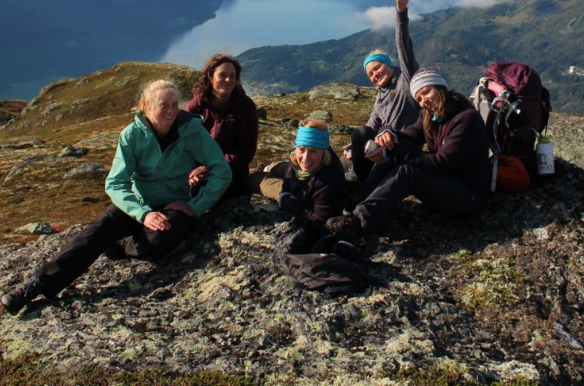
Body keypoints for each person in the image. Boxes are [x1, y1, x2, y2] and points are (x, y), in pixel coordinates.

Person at [1, 79, 232, 315]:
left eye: (175, 104)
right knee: (93, 233)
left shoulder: (192, 131)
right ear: (146, 105)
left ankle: (125, 248)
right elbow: (115, 183)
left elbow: (221, 171)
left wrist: (195, 206)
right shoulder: (132, 135)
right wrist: (142, 213)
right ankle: (34, 287)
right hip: (137, 203)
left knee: (161, 238)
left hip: (172, 203)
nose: (172, 111)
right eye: (164, 104)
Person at [327, 68, 491, 240]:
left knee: (407, 170)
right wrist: (387, 133)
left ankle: (357, 224)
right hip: (446, 182)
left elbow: (440, 163)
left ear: (439, 87)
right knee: (395, 152)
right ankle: (361, 204)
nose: (423, 101)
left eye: (426, 92)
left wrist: (396, 147)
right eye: (418, 98)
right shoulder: (431, 115)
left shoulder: (465, 118)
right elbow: (407, 136)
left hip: (468, 195)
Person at [343, 0, 420, 186]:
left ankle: (357, 179)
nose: (374, 74)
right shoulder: (380, 99)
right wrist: (353, 148)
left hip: (401, 148)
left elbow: (404, 46)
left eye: (377, 67)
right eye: (370, 74)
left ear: (389, 65)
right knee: (333, 162)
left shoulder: (407, 80)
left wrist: (401, 10)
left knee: (361, 134)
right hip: (380, 148)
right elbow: (371, 126)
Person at [185, 54, 259, 198]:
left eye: (232, 75)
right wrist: (192, 173)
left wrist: (212, 167)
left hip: (231, 173)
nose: (228, 80)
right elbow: (186, 147)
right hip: (198, 173)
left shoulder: (245, 106)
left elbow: (246, 151)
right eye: (222, 75)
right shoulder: (196, 106)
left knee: (200, 193)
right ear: (210, 77)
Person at [249, 120, 345, 224]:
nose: (306, 157)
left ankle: (264, 173)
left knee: (256, 179)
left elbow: (320, 218)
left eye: (313, 151)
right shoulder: (304, 159)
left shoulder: (328, 180)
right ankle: (268, 167)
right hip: (304, 173)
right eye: (302, 150)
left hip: (300, 192)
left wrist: (286, 200)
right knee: (282, 167)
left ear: (324, 152)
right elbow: (293, 166)